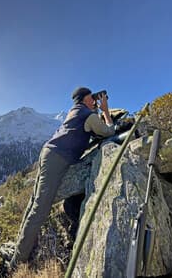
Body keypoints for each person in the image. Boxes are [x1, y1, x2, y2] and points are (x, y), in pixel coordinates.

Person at [6, 86, 115, 272]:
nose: (94, 100)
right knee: (40, 210)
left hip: (48, 153)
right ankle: (16, 265)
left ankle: (19, 249)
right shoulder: (88, 115)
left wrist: (96, 108)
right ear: (83, 99)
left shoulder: (76, 111)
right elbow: (108, 131)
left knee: (33, 204)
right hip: (57, 159)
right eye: (92, 98)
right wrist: (105, 111)